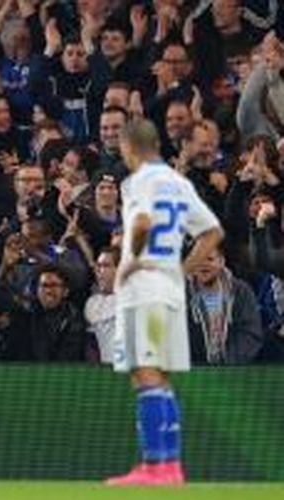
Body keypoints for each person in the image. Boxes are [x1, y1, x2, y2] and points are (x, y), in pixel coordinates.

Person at [107, 119, 223, 486]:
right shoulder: (178, 181)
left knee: (146, 374)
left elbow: (140, 223)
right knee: (160, 377)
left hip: (143, 291)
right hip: (169, 290)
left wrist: (133, 262)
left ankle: (155, 466)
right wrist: (181, 269)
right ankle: (169, 466)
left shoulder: (140, 180)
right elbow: (212, 232)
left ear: (128, 147)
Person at [187, 246, 264, 364]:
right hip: (193, 369)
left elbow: (250, 332)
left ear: (222, 261)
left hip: (235, 371)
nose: (203, 264)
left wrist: (228, 362)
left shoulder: (241, 291)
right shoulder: (180, 293)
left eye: (210, 259)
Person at [85, 246, 119, 364]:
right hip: (106, 374)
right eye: (98, 266)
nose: (99, 271)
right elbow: (91, 345)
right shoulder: (92, 304)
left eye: (105, 266)